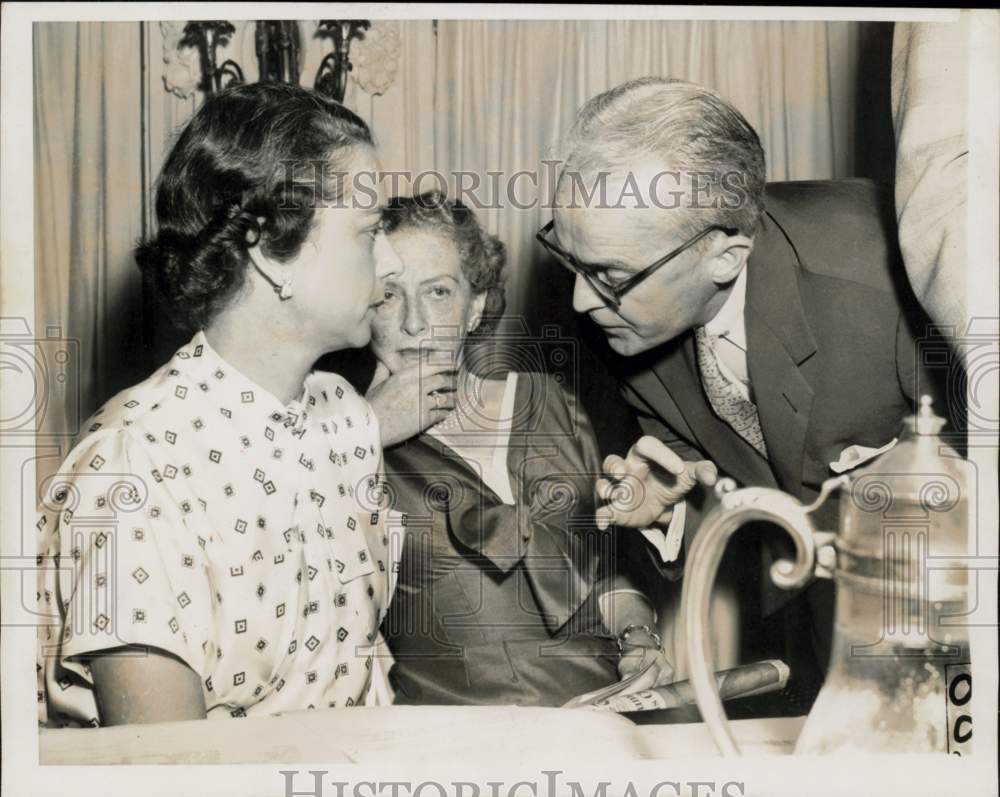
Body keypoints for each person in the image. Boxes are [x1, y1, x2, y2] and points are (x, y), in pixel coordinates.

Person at [538, 77, 940, 706]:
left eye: (607, 276)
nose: (581, 301)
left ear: (724, 257)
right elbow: (729, 476)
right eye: (569, 260)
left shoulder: (895, 275)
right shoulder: (637, 316)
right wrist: (672, 507)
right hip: (815, 622)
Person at [36, 82, 404, 726]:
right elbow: (166, 770)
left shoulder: (344, 415)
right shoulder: (133, 463)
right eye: (370, 231)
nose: (393, 262)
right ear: (269, 249)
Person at [365, 192, 670, 706]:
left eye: (438, 291)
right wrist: (366, 429)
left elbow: (599, 569)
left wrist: (639, 640)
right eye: (388, 296)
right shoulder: (333, 440)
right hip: (452, 751)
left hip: (601, 718)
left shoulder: (554, 402)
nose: (414, 322)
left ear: (475, 305)